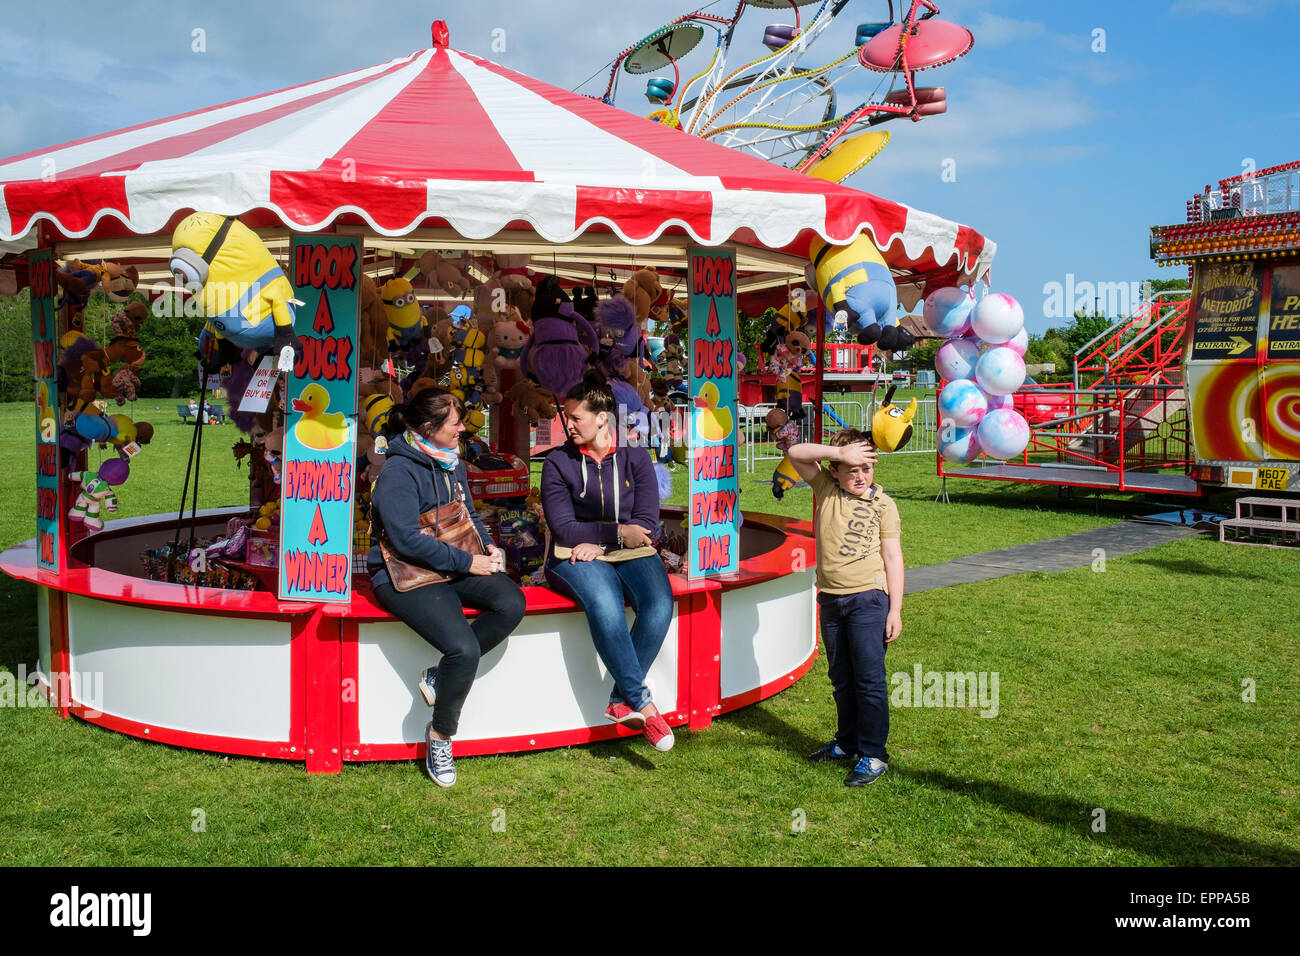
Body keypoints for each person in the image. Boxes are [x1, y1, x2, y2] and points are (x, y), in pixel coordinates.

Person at [367, 387, 525, 787]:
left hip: (451, 564)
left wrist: (486, 542)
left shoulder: (450, 461)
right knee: (464, 648)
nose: (462, 431)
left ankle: (440, 676)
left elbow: (467, 510)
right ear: (427, 428)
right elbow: (405, 541)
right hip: (404, 573)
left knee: (511, 602)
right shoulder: (398, 473)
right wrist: (469, 562)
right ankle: (440, 735)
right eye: (456, 424)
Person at [541, 369, 676, 752]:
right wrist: (615, 534)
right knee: (606, 604)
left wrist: (602, 541)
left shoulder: (635, 456)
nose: (568, 425)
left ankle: (620, 699)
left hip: (621, 547)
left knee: (659, 604)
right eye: (566, 418)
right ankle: (646, 707)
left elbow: (647, 523)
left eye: (575, 417)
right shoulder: (556, 463)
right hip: (573, 554)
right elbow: (564, 529)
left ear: (603, 418)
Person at [786, 429, 903, 786]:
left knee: (868, 680)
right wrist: (841, 451)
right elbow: (796, 452)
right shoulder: (826, 489)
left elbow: (893, 557)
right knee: (841, 678)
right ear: (834, 470)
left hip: (869, 600)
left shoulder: (884, 504)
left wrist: (894, 609)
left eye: (866, 468)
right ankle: (848, 743)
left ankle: (873, 754)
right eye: (851, 468)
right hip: (831, 600)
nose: (860, 476)